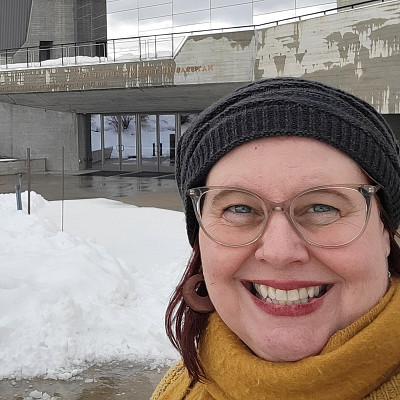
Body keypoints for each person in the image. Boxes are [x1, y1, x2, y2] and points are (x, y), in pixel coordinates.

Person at [151, 77, 400, 400]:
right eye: (239, 208)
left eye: (322, 207)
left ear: (384, 231)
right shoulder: (179, 387)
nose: (280, 252)